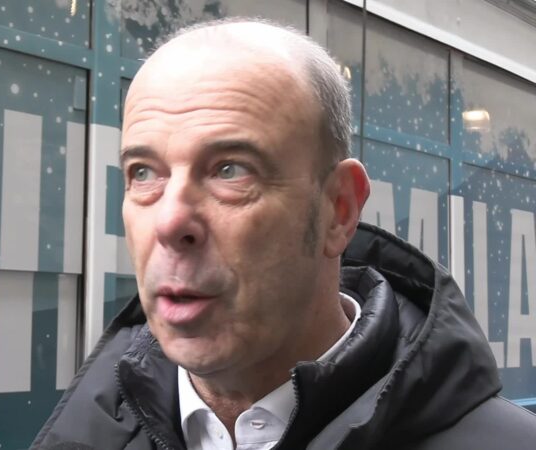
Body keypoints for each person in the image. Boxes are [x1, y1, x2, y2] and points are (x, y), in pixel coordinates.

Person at [31, 19, 536, 450]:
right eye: (143, 173)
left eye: (230, 170)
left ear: (338, 210)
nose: (169, 222)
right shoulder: (80, 433)